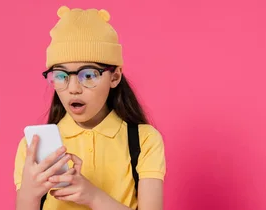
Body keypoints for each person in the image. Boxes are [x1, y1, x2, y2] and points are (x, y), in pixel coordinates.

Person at [13, 6, 166, 210]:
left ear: (114, 77)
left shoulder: (144, 140)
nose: (74, 89)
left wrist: (93, 196)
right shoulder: (33, 147)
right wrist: (30, 194)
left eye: (89, 75)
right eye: (61, 76)